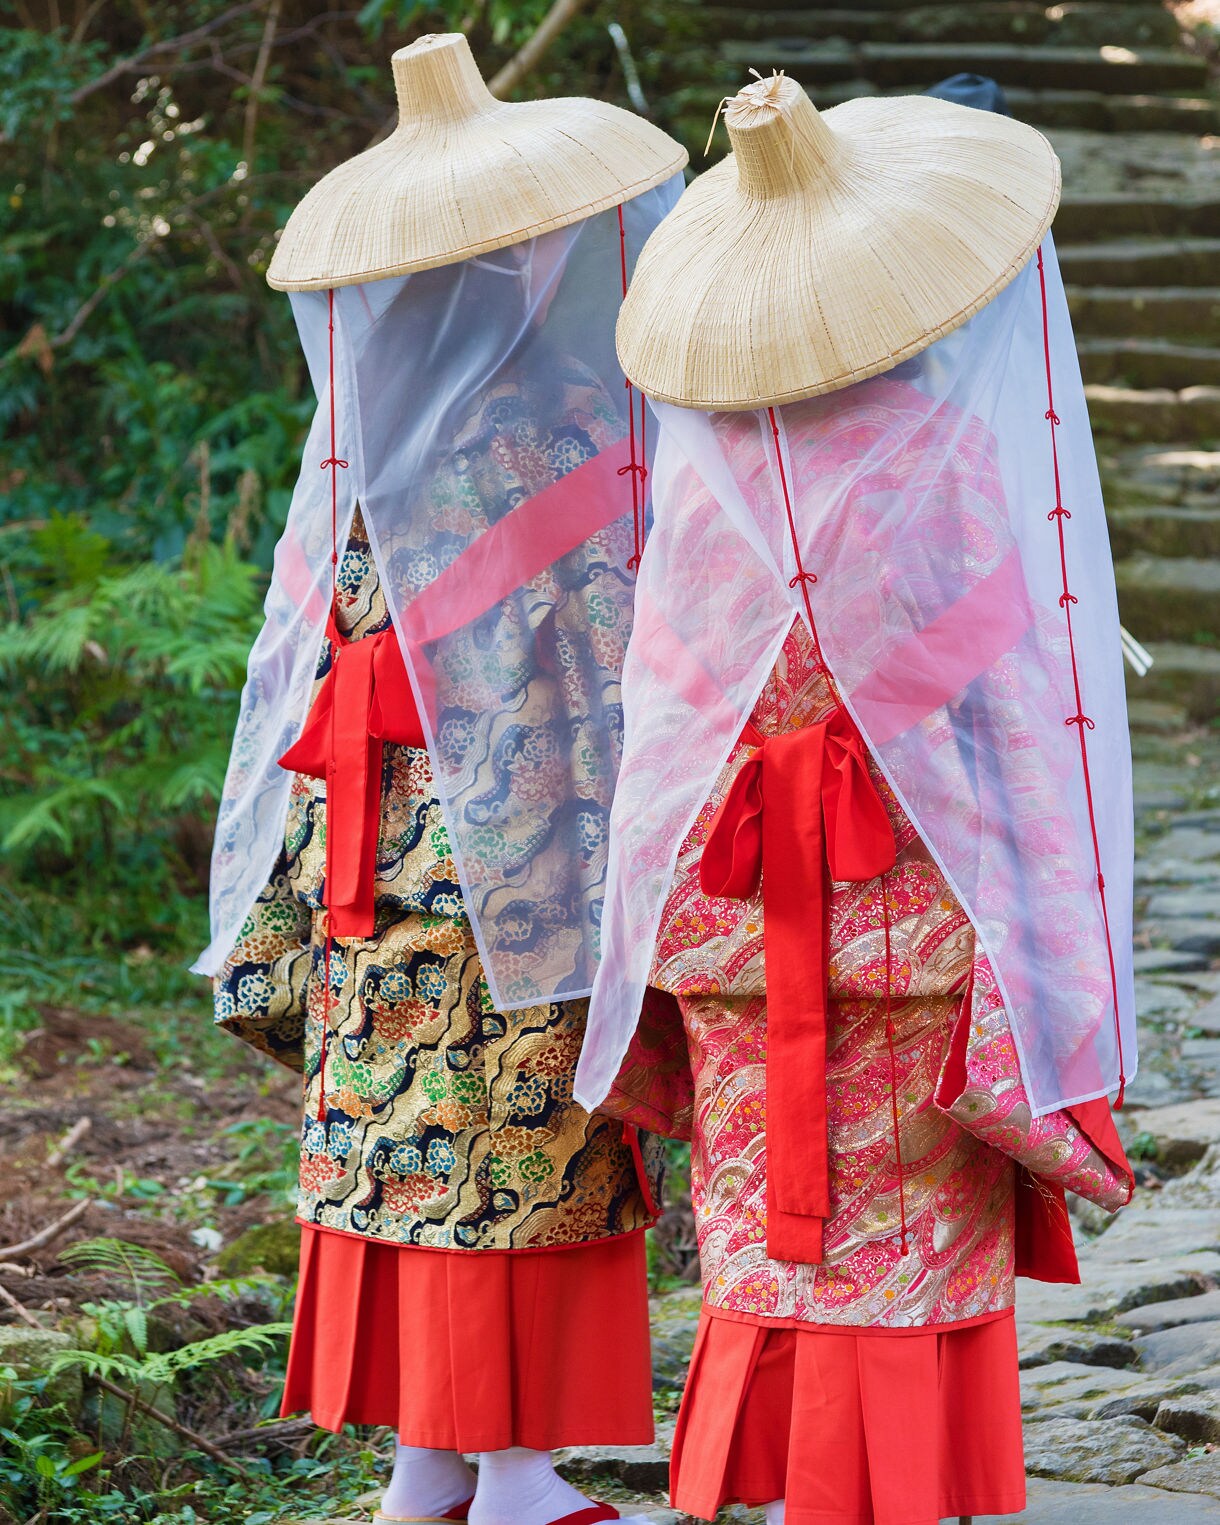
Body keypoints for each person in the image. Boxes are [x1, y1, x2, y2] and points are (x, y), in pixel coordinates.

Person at [575, 70, 1136, 1525]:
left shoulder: (708, 480)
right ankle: (901, 1495)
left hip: (744, 923)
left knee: (774, 1240)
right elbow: (1007, 718)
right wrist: (1045, 912)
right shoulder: (939, 460)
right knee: (903, 1239)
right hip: (912, 929)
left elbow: (671, 712)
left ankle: (784, 1486)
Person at [197, 33, 686, 1525]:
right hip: (511, 848)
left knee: (404, 1136)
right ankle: (518, 1469)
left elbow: (306, 638)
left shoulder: (365, 455)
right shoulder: (553, 440)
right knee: (513, 1135)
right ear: (537, 265)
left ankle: (426, 1463)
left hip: (368, 848)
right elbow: (617, 659)